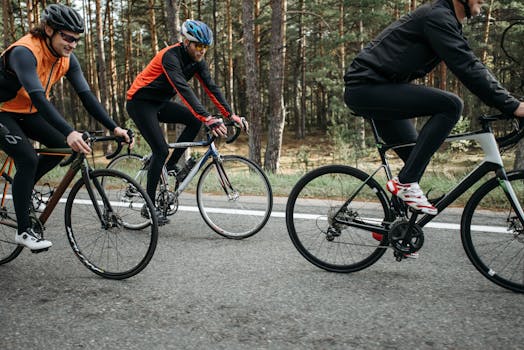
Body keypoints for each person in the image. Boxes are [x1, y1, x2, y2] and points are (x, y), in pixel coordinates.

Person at [344, 0, 524, 217]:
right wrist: (512, 105)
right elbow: (467, 67)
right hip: (367, 88)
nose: (484, 0)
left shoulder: (445, 20)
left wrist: (507, 103)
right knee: (451, 105)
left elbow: (473, 63)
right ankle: (405, 183)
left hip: (382, 87)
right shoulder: (437, 17)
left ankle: (393, 228)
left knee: (415, 158)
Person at [0, 4, 132, 251]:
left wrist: (114, 128)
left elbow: (86, 96)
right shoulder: (25, 52)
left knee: (61, 147)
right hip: (2, 111)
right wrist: (70, 131)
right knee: (27, 158)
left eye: (76, 40)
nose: (72, 44)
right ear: (49, 30)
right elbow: (38, 96)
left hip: (26, 112)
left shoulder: (66, 59)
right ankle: (23, 231)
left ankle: (24, 189)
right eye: (67, 37)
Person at [126, 19, 248, 225]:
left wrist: (230, 115)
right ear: (186, 42)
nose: (202, 51)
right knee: (160, 150)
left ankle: (172, 166)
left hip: (160, 103)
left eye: (205, 47)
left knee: (193, 121)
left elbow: (212, 88)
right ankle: (149, 205)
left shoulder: (198, 62)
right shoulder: (170, 57)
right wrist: (208, 117)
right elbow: (183, 89)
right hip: (140, 102)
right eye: (198, 46)